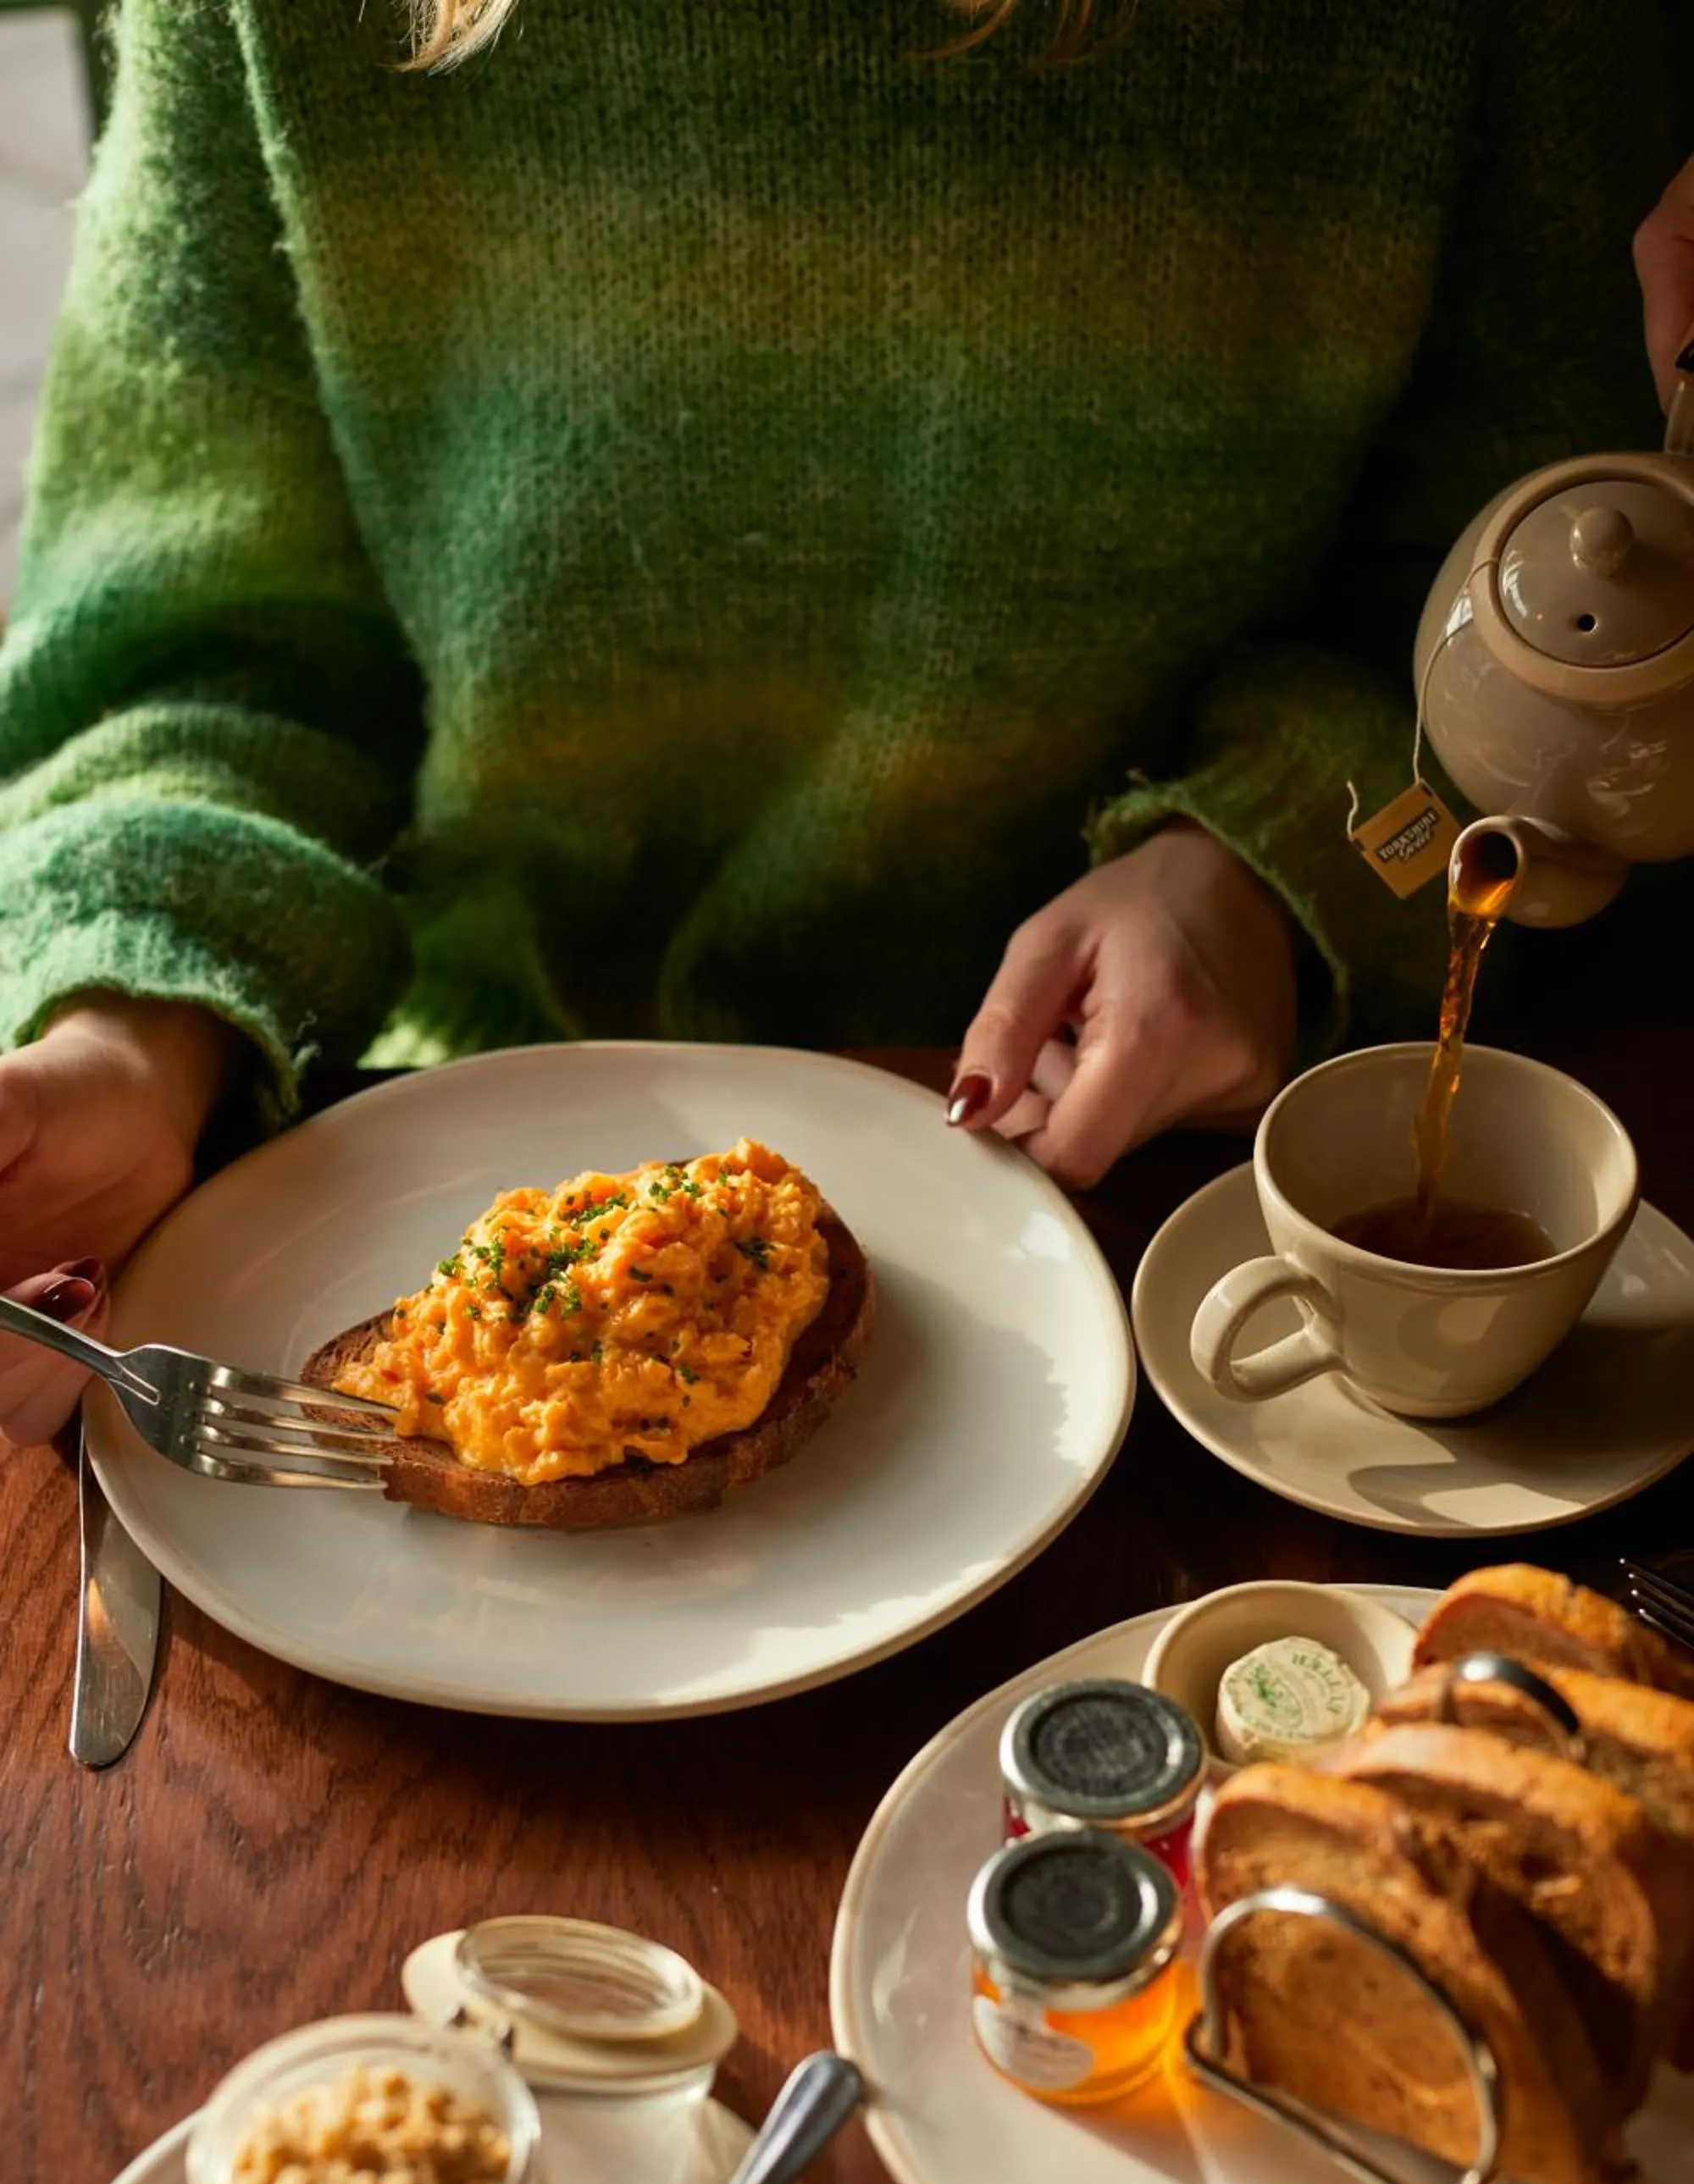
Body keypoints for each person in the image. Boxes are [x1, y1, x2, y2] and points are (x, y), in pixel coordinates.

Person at [0, 0, 1687, 1449]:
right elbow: (209, 651)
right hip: (417, 1142)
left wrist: (1273, 867)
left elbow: (1518, 642)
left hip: (1222, 1223)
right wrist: (131, 1021)